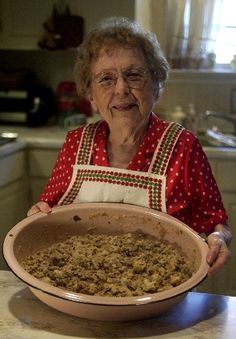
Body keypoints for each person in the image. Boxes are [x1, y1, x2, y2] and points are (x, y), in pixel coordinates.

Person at [27, 17, 231, 275]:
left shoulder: (183, 146)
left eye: (134, 75)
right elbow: (47, 215)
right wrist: (38, 213)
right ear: (91, 95)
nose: (121, 89)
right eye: (106, 79)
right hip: (82, 286)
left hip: (162, 292)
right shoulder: (76, 144)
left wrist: (219, 239)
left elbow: (216, 224)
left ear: (156, 86)